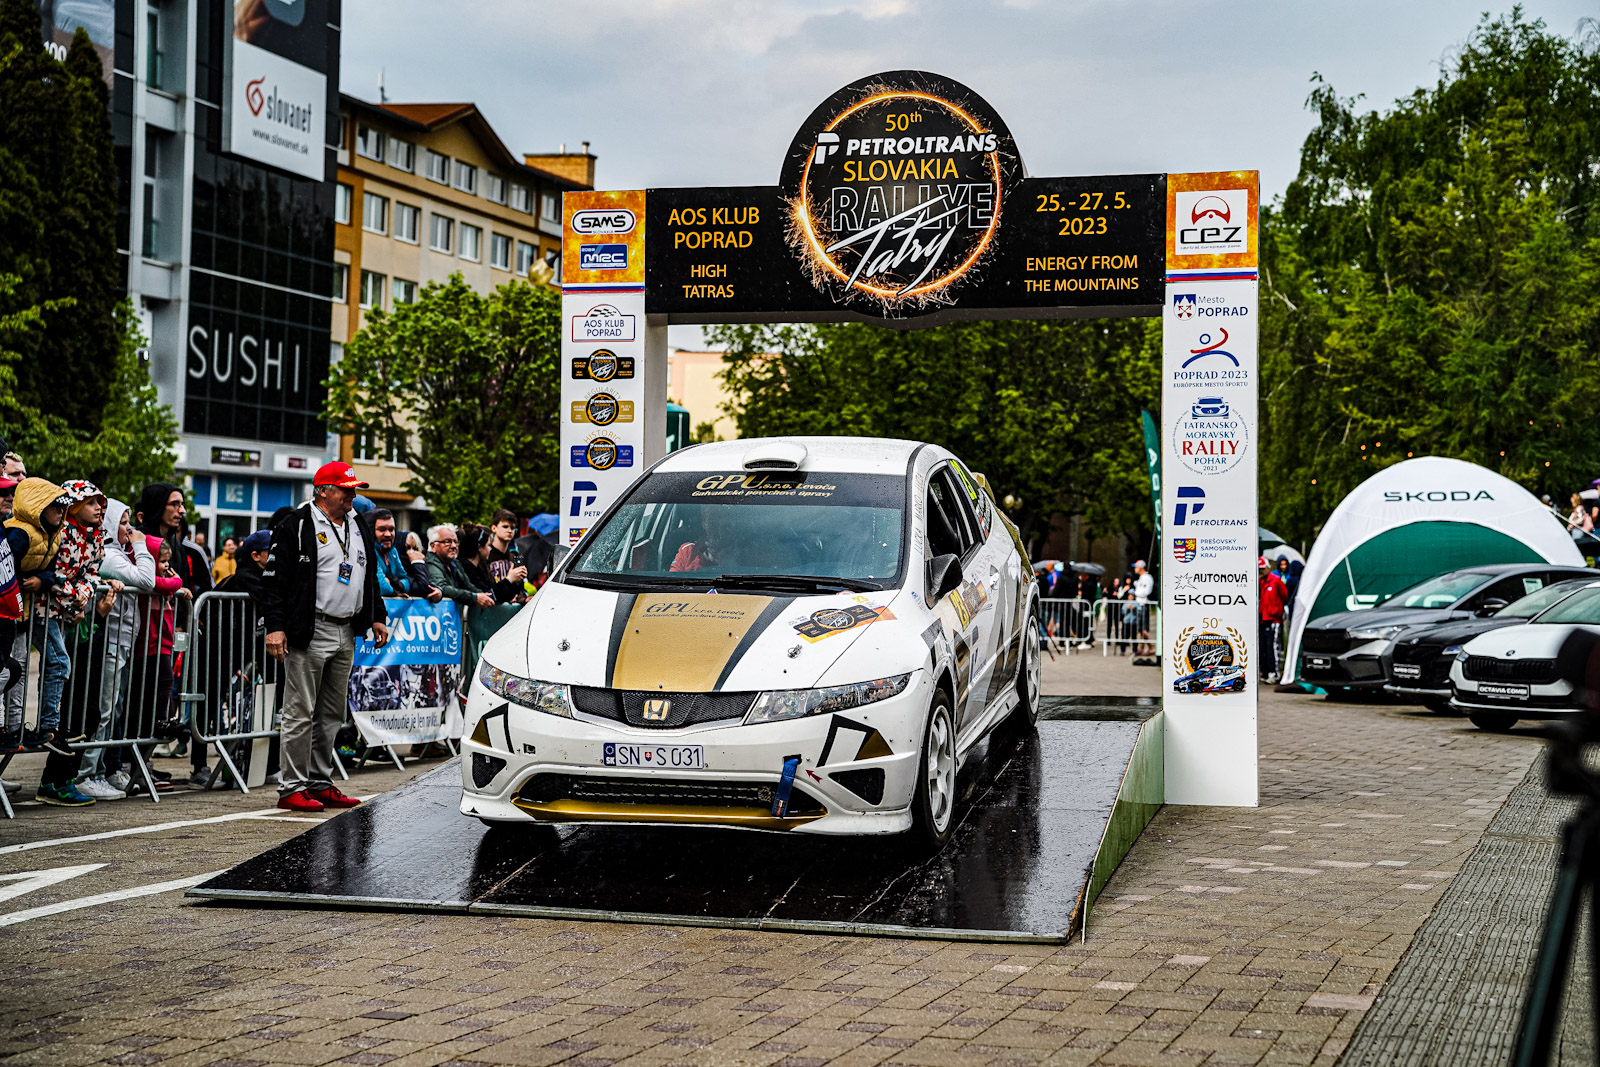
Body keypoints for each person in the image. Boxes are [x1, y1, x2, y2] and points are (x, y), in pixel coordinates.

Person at [261, 461, 388, 812]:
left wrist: (376, 616)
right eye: (346, 489)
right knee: (300, 711)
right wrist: (275, 627)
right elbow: (273, 582)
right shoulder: (297, 524)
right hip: (310, 628)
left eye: (353, 489)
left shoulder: (357, 524)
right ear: (323, 491)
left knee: (331, 713)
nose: (352, 495)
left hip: (346, 628)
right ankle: (292, 786)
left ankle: (319, 781)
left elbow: (369, 576)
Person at [76, 499, 158, 800]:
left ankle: (101, 770)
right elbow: (147, 580)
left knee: (114, 708)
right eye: (123, 522)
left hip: (122, 641)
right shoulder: (109, 554)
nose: (130, 528)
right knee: (105, 709)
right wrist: (141, 545)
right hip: (110, 641)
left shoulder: (118, 554)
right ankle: (87, 774)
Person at [40, 481, 116, 805]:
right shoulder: (61, 533)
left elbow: (90, 574)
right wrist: (79, 597)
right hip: (54, 622)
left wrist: (90, 591)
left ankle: (60, 779)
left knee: (89, 712)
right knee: (70, 709)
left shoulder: (95, 535)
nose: (99, 507)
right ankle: (55, 782)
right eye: (91, 502)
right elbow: (53, 576)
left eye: (100, 502)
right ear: (72, 504)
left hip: (80, 625)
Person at [4, 478, 69, 754]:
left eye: (64, 507)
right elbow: (5, 566)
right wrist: (22, 581)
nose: (61, 512)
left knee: (17, 673)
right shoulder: (19, 533)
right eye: (56, 506)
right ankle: (7, 728)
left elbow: (53, 570)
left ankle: (16, 729)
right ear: (38, 506)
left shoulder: (54, 535)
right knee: (6, 672)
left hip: (22, 614)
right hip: (7, 612)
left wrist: (42, 581)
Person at [1259, 556, 1289, 686]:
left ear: (1268, 567)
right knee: (1263, 647)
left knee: (1273, 647)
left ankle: (1275, 673)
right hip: (1263, 618)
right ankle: (1266, 672)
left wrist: (1277, 610)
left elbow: (1284, 596)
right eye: (1259, 569)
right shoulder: (1260, 581)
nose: (1260, 571)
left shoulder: (1276, 581)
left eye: (1262, 568)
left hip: (1274, 619)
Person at [1131, 559, 1155, 656]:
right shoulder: (1141, 578)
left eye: (1136, 567)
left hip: (1143, 604)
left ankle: (1151, 647)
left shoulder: (1147, 578)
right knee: (1140, 629)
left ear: (1140, 568)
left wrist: (1137, 593)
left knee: (1144, 629)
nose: (1135, 569)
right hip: (1140, 604)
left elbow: (1146, 591)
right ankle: (1141, 647)